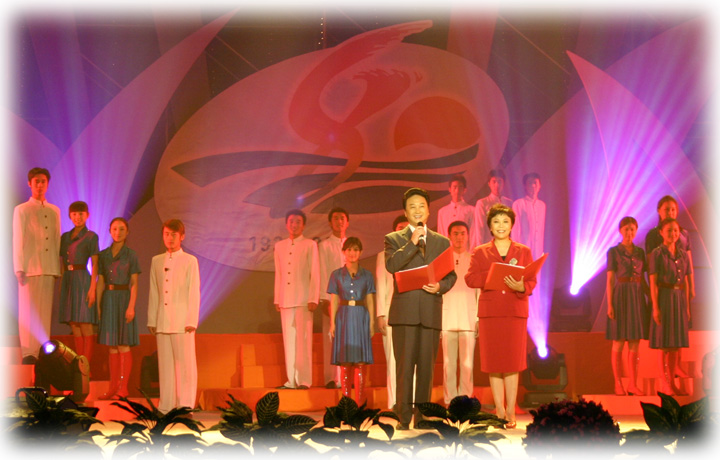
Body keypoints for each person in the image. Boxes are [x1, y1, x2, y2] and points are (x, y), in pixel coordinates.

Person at [384, 188, 457, 429]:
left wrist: (440, 286)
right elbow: (392, 266)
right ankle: (403, 418)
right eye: (412, 207)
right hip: (404, 314)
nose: (417, 210)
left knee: (426, 368)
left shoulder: (442, 241)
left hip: (430, 311)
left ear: (428, 211)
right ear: (405, 212)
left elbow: (451, 275)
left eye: (421, 206)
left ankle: (422, 417)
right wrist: (411, 243)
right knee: (404, 368)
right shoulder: (394, 239)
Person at [465, 203, 536, 428]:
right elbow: (470, 279)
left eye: (505, 221)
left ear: (512, 225)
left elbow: (532, 280)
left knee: (512, 363)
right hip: (491, 314)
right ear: (490, 226)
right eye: (496, 222)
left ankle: (511, 412)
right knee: (494, 363)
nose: (501, 225)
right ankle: (499, 410)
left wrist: (521, 286)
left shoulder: (523, 251)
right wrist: (493, 274)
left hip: (515, 312)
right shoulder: (480, 251)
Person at [148, 219, 201, 412]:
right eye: (167, 234)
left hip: (182, 321)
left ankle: (185, 404)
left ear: (182, 236)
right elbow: (154, 291)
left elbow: (194, 291)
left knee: (185, 365)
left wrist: (191, 320)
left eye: (174, 235)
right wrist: (152, 319)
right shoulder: (156, 260)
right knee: (165, 366)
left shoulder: (190, 261)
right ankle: (166, 405)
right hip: (163, 320)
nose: (170, 238)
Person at [13, 167, 61, 363]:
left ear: (47, 184)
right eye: (36, 182)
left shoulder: (54, 210)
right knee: (28, 312)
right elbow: (18, 239)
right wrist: (19, 267)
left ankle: (42, 350)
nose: (40, 185)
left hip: (48, 267)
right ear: (30, 184)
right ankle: (28, 353)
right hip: (29, 268)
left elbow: (57, 239)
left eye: (43, 182)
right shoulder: (22, 209)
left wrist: (56, 267)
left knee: (44, 313)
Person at [645, 195, 695, 380]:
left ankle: (677, 366)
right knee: (665, 334)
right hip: (663, 288)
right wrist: (653, 295)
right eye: (666, 209)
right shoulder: (654, 237)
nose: (670, 212)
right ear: (659, 211)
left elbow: (689, 262)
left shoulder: (684, 234)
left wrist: (692, 286)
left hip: (679, 288)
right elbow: (651, 267)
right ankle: (666, 376)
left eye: (673, 209)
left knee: (679, 328)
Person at [274, 209, 320, 389]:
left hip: (303, 299)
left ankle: (304, 380)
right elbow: (278, 273)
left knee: (303, 341)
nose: (294, 225)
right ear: (287, 224)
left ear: (304, 225)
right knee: (289, 341)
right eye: (291, 221)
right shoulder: (279, 246)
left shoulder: (310, 244)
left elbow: (314, 272)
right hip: (285, 299)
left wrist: (313, 297)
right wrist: (277, 298)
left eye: (298, 222)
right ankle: (291, 380)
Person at [328, 237, 375, 404]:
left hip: (361, 316)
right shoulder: (336, 275)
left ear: (360, 252)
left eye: (355, 250)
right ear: (343, 252)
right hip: (344, 317)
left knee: (361, 362)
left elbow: (370, 300)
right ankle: (347, 404)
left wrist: (371, 322)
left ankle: (360, 403)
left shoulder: (367, 275)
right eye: (349, 249)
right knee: (345, 361)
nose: (352, 253)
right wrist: (333, 323)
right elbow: (334, 300)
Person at [97, 217, 140, 399]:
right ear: (110, 231)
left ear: (127, 232)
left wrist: (131, 306)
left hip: (123, 299)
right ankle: (113, 387)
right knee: (112, 346)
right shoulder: (103, 255)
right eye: (115, 229)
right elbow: (100, 282)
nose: (118, 232)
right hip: (108, 299)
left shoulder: (131, 255)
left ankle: (123, 388)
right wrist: (98, 306)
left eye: (122, 229)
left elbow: (134, 283)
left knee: (123, 344)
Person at [605, 216, 649, 396]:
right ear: (620, 231)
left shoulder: (640, 252)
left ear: (636, 231)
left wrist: (651, 298)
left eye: (632, 229)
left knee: (635, 342)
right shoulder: (613, 252)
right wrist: (610, 304)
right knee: (619, 340)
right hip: (621, 296)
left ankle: (633, 384)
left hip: (637, 296)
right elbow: (610, 280)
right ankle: (618, 383)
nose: (629, 232)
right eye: (626, 229)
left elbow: (644, 279)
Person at [648, 218, 691, 396]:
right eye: (669, 230)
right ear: (661, 233)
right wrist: (656, 307)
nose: (673, 234)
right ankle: (664, 382)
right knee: (663, 344)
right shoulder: (657, 254)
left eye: (675, 231)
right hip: (664, 297)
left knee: (674, 345)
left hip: (679, 298)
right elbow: (653, 282)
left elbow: (686, 281)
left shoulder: (683, 254)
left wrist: (687, 307)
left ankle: (672, 382)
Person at [441, 221, 479, 405]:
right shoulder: (442, 260)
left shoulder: (474, 260)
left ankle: (465, 401)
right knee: (448, 364)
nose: (459, 237)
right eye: (455, 233)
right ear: (449, 236)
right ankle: (450, 401)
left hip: (468, 317)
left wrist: (478, 318)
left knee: (467, 364)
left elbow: (479, 291)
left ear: (468, 236)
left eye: (463, 233)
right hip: (447, 318)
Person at [59, 201, 99, 366]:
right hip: (68, 279)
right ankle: (78, 364)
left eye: (81, 214)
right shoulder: (65, 237)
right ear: (70, 216)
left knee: (85, 323)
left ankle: (86, 364)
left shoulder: (91, 236)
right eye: (74, 214)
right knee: (74, 324)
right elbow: (62, 261)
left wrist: (93, 287)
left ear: (87, 215)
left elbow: (95, 263)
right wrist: (62, 284)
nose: (78, 217)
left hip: (83, 279)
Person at [375, 215, 409, 409]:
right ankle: (395, 401)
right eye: (399, 228)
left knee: (411, 359)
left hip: (412, 312)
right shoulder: (384, 255)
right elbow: (381, 285)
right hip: (391, 312)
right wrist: (380, 314)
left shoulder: (419, 252)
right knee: (393, 359)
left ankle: (410, 401)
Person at [318, 207, 350, 389]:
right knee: (331, 337)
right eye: (336, 218)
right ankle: (332, 378)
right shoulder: (324, 245)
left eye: (342, 218)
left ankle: (346, 377)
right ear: (330, 222)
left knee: (348, 337)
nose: (339, 221)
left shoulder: (352, 244)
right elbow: (323, 271)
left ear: (347, 222)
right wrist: (325, 298)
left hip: (350, 297)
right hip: (332, 296)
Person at [472, 169, 513, 248]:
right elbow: (480, 229)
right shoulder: (482, 203)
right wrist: (480, 248)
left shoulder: (509, 203)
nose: (497, 185)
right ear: (489, 184)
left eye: (499, 181)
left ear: (504, 183)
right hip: (489, 246)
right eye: (494, 182)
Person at [511, 173, 545, 259]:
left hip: (538, 250)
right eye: (530, 183)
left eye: (535, 182)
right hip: (523, 249)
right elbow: (515, 230)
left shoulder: (542, 205)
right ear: (525, 186)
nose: (533, 185)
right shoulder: (518, 204)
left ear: (540, 185)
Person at [436, 175, 474, 244]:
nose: (457, 190)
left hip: (465, 249)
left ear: (465, 190)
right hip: (448, 248)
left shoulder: (471, 210)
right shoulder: (442, 212)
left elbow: (473, 235)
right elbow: (441, 234)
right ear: (449, 189)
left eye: (460, 187)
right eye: (454, 187)